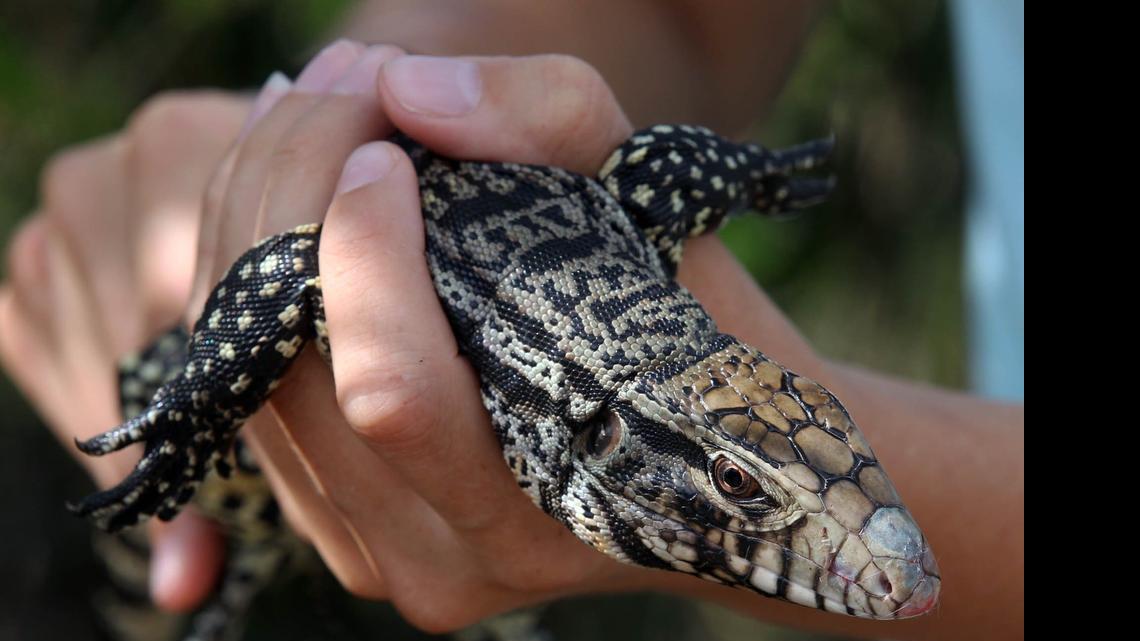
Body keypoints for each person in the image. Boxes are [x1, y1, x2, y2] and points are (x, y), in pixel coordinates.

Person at [0, 6, 1023, 641]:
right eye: (743, 486)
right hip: (229, 447)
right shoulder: (554, 294)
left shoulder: (567, 392)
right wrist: (344, 103)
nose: (884, 555)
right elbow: (298, 266)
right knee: (174, 453)